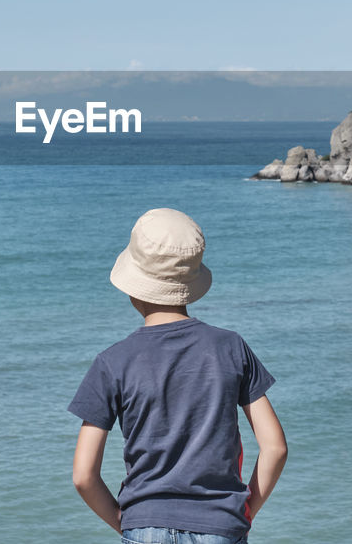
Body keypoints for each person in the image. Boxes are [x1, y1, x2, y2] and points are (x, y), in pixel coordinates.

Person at [69, 208, 288, 544]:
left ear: (134, 285)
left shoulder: (111, 362)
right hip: (221, 526)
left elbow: (84, 476)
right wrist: (243, 514)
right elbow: (274, 448)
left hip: (144, 525)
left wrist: (128, 524)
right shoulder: (231, 347)